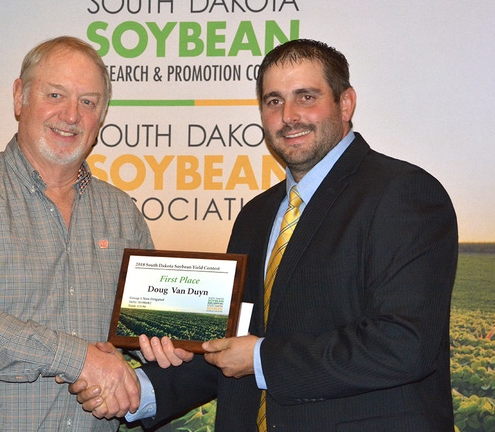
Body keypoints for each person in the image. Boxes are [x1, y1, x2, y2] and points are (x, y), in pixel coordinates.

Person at [71, 38, 458, 431]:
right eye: (274, 101)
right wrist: (136, 389)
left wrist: (260, 359)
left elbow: (404, 344)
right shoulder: (256, 216)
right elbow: (230, 349)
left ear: (346, 104)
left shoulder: (402, 193)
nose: (289, 116)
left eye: (306, 97)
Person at [0, 36, 154, 431]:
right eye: (55, 95)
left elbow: (145, 329)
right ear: (20, 97)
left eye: (88, 102)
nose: (71, 115)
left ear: (101, 116)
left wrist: (167, 345)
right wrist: (79, 359)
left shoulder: (122, 213)